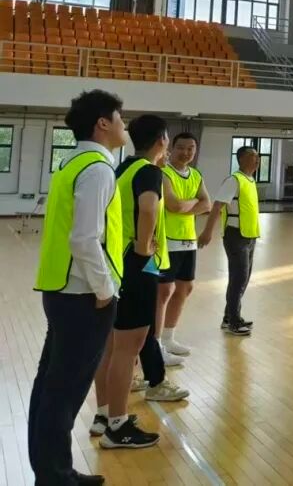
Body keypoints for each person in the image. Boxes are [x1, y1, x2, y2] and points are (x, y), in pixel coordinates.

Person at [29, 90, 126, 485]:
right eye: (119, 118)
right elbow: (85, 239)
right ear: (103, 123)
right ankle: (55, 476)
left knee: (50, 386)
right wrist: (104, 289)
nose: (123, 125)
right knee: (64, 392)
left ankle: (53, 470)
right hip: (84, 296)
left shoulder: (71, 162)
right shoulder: (98, 169)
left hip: (61, 289)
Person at [94, 115, 188, 450]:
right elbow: (148, 209)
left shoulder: (122, 169)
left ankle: (104, 415)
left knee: (110, 346)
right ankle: (117, 427)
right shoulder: (149, 171)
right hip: (136, 267)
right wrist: (144, 246)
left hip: (115, 264)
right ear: (162, 140)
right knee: (128, 348)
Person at [158, 132, 211, 362]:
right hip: (167, 240)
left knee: (185, 288)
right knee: (163, 292)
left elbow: (207, 204)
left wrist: (186, 205)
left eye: (191, 148)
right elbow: (173, 206)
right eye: (181, 147)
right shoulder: (164, 173)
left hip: (188, 240)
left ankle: (168, 337)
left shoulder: (196, 175)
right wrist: (194, 203)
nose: (186, 152)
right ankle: (155, 344)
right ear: (172, 148)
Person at [202, 146, 262, 335]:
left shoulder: (250, 180)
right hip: (235, 236)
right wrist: (207, 232)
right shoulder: (233, 180)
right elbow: (217, 206)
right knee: (238, 278)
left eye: (258, 156)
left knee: (243, 277)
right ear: (241, 159)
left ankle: (230, 317)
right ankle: (234, 323)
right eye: (252, 156)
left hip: (249, 235)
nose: (257, 159)